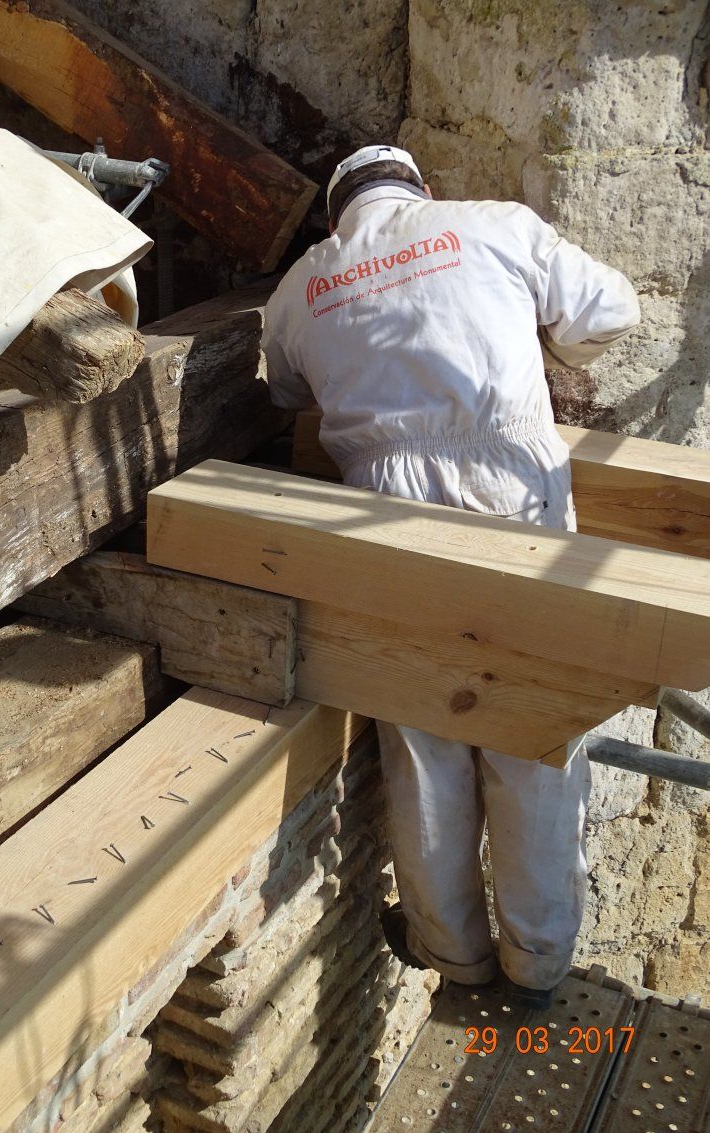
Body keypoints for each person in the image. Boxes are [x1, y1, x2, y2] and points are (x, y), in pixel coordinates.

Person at [260, 144, 641, 1010]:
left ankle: (453, 953)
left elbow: (282, 391)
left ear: (333, 215)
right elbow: (610, 308)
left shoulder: (304, 284)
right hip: (514, 483)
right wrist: (556, 342)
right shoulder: (492, 226)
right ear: (422, 190)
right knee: (535, 734)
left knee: (425, 736)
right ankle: (539, 963)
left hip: (386, 510)